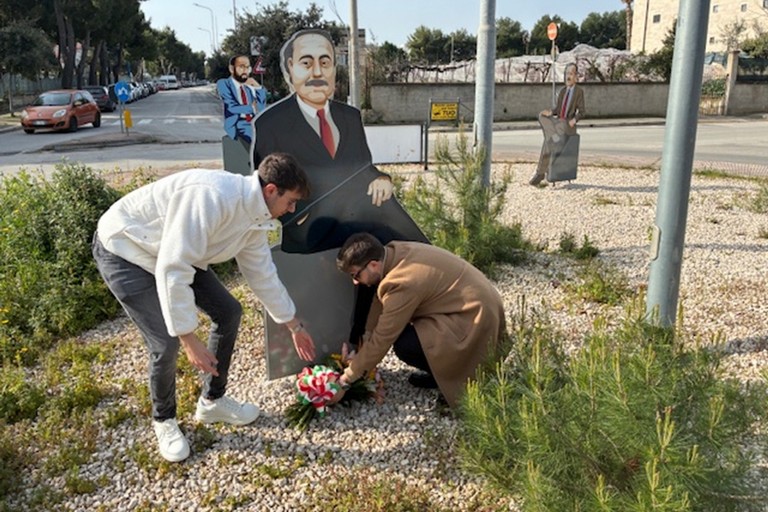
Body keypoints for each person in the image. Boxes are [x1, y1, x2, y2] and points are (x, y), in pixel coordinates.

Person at [92, 153, 316, 463]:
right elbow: (174, 267)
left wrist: (293, 325)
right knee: (165, 341)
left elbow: (263, 276)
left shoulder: (255, 220)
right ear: (270, 190)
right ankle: (165, 420)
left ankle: (213, 401)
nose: (292, 209)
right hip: (125, 247)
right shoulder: (211, 196)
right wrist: (188, 337)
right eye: (290, 201)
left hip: (171, 249)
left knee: (229, 312)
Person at [252, 28, 398, 254]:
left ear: (334, 69)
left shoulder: (350, 117)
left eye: (325, 63)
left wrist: (380, 178)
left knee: (391, 225)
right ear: (291, 67)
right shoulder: (272, 124)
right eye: (307, 63)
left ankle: (428, 268)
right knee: (386, 240)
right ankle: (431, 273)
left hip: (353, 216)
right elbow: (267, 189)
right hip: (309, 226)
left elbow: (362, 169)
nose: (318, 72)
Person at [332, 233, 507, 408]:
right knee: (408, 334)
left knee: (406, 344)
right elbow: (380, 299)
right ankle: (440, 373)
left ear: (373, 265)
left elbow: (384, 338)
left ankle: (460, 381)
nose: (355, 282)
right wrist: (367, 334)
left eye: (355, 275)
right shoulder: (394, 252)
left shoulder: (402, 283)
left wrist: (345, 381)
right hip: (477, 308)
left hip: (474, 323)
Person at [529, 63, 586, 186]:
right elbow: (557, 110)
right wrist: (550, 112)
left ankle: (540, 173)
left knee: (549, 140)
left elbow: (582, 112)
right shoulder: (562, 91)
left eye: (571, 74)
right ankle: (554, 137)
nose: (568, 77)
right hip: (558, 122)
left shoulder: (579, 92)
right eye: (566, 74)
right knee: (541, 116)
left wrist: (574, 120)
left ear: (576, 76)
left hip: (567, 124)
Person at [217, 55, 266, 147]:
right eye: (241, 67)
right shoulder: (223, 84)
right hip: (239, 123)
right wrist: (252, 108)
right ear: (232, 69)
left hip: (254, 122)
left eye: (248, 67)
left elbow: (261, 108)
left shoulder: (248, 88)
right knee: (260, 139)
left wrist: (258, 87)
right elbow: (231, 107)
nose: (245, 71)